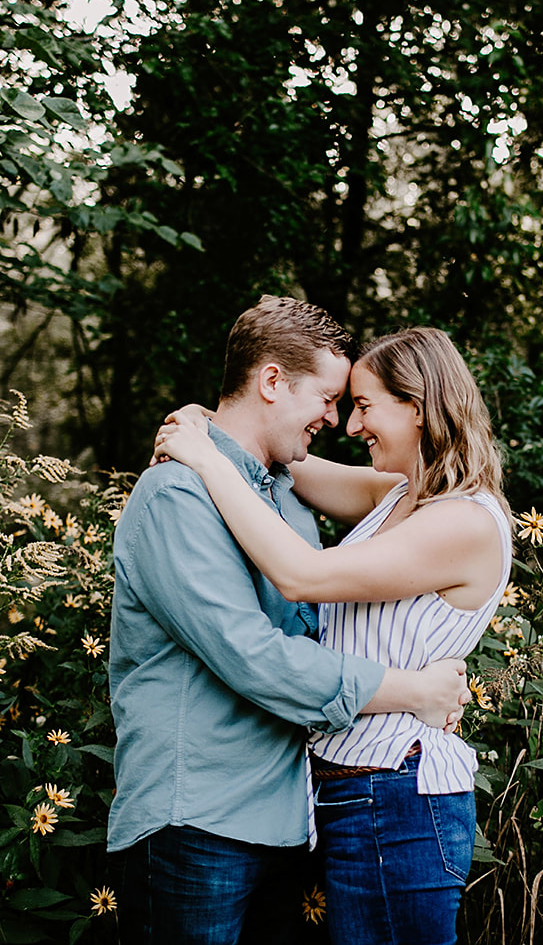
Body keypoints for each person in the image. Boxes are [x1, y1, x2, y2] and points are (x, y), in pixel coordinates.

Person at [105, 297, 471, 945]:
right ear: (272, 381)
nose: (334, 419)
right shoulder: (174, 495)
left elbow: (404, 499)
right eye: (329, 398)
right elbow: (255, 656)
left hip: (284, 822)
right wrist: (410, 689)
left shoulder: (285, 493)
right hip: (196, 824)